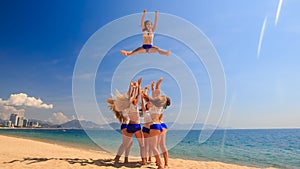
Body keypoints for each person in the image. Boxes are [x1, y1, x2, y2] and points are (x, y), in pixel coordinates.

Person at [142, 77, 171, 169]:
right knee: (162, 146)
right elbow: (155, 95)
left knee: (153, 147)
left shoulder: (152, 105)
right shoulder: (160, 106)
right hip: (161, 125)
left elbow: (152, 94)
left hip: (155, 126)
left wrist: (157, 84)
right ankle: (165, 164)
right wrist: (153, 86)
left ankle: (160, 165)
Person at [107, 81, 134, 164]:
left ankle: (124, 159)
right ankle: (117, 158)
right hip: (126, 126)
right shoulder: (124, 106)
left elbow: (129, 96)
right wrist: (134, 88)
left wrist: (131, 87)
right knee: (126, 143)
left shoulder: (124, 106)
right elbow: (131, 96)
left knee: (128, 143)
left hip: (126, 126)